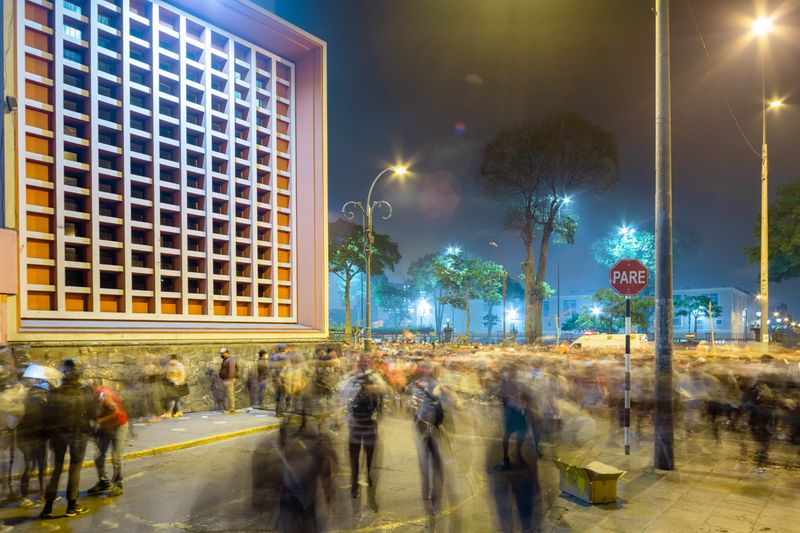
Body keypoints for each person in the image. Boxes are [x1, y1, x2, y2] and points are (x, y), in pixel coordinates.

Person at [41, 358, 96, 518]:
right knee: (75, 468)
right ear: (80, 374)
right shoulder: (85, 391)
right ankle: (71, 506)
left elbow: (48, 416)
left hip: (58, 435)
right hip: (79, 434)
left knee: (57, 469)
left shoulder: (54, 392)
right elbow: (93, 414)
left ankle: (48, 507)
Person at [344, 356, 385, 498]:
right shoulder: (351, 378)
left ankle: (368, 475)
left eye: (364, 363)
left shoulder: (374, 377)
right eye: (361, 363)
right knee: (354, 456)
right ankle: (355, 484)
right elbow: (342, 394)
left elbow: (383, 391)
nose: (362, 365)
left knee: (369, 453)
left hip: (368, 421)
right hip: (355, 422)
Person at [18, 365, 58, 508]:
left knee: (32, 468)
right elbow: (46, 421)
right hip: (35, 440)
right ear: (40, 391)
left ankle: (31, 496)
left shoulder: (27, 400)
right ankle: (37, 495)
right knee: (38, 468)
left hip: (30, 440)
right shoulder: (37, 402)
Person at [87, 383, 128, 497]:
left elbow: (116, 412)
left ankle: (118, 484)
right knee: (99, 456)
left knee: (116, 456)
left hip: (119, 426)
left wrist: (100, 421)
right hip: (105, 428)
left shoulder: (103, 396)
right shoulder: (90, 398)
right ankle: (104, 482)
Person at [219, 348, 237, 414]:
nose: (222, 354)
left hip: (229, 379)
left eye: (223, 353)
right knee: (229, 394)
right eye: (221, 353)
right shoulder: (226, 359)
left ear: (226, 353)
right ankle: (230, 408)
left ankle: (231, 409)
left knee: (230, 394)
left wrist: (229, 379)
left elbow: (231, 370)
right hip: (227, 379)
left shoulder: (230, 359)